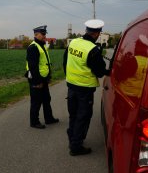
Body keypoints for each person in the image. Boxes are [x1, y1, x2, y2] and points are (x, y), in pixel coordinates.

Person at [63, 19, 110, 156]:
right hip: (84, 89)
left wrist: (69, 77)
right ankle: (76, 147)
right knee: (83, 117)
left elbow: (65, 61)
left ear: (87, 31)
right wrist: (109, 71)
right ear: (96, 34)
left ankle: (72, 138)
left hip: (71, 86)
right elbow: (100, 72)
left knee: (73, 114)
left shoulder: (74, 42)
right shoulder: (92, 49)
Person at [25, 25, 59, 129]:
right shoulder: (33, 47)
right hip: (36, 79)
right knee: (36, 101)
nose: (45, 36)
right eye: (43, 34)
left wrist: (48, 77)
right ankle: (34, 122)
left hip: (43, 78)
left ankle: (49, 118)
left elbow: (45, 63)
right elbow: (32, 67)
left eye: (45, 34)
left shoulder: (42, 45)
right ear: (36, 34)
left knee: (46, 99)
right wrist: (37, 82)